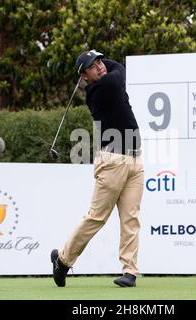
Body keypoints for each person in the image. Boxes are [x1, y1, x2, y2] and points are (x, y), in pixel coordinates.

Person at [51, 50, 144, 288]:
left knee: (130, 218)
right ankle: (63, 260)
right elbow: (119, 70)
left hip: (135, 160)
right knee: (96, 217)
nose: (101, 66)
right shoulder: (101, 89)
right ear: (84, 76)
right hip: (112, 161)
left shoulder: (104, 79)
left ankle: (129, 271)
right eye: (93, 66)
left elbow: (114, 67)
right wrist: (98, 64)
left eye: (101, 61)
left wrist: (92, 57)